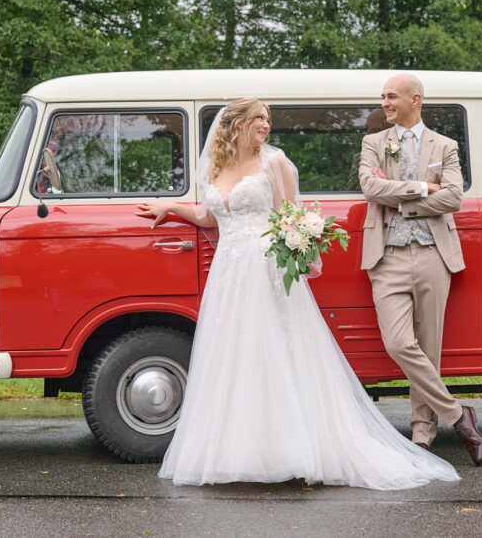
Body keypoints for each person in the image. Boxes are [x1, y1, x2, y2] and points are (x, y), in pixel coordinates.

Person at [136, 98, 459, 490]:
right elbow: (210, 217)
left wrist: (298, 249)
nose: (266, 125)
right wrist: (171, 207)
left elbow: (292, 217)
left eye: (268, 119)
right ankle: (242, 450)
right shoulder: (216, 167)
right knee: (236, 356)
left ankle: (295, 449)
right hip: (229, 275)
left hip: (267, 270)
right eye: (259, 118)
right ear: (237, 124)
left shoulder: (276, 164)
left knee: (278, 353)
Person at [358, 73, 482, 466]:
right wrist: (424, 188)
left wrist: (401, 197)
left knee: (429, 349)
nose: (384, 103)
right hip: (387, 257)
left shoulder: (445, 146)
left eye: (391, 96)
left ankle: (422, 434)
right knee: (399, 344)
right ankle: (458, 416)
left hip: (434, 255)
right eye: (382, 96)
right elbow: (370, 188)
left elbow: (454, 198)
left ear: (415, 100)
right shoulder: (374, 143)